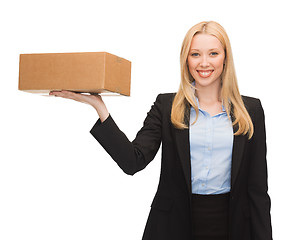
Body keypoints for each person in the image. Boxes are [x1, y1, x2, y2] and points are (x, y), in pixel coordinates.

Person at [50, 21, 273, 240]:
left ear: (226, 58)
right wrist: (99, 107)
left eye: (213, 53)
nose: (204, 62)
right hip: (174, 225)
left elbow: (258, 190)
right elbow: (132, 161)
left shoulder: (251, 110)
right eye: (195, 54)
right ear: (186, 60)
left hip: (234, 226)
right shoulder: (166, 106)